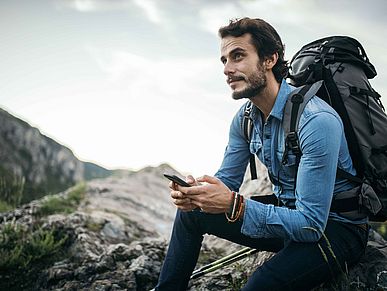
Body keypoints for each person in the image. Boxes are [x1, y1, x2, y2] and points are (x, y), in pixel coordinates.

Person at [155, 17, 369, 290]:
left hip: (335, 228)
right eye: (224, 61)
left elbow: (311, 224)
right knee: (191, 214)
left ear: (269, 59)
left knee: (259, 285)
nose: (227, 69)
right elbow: (227, 181)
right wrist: (196, 194)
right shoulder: (244, 119)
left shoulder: (317, 121)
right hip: (288, 212)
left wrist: (236, 206)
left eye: (238, 56)